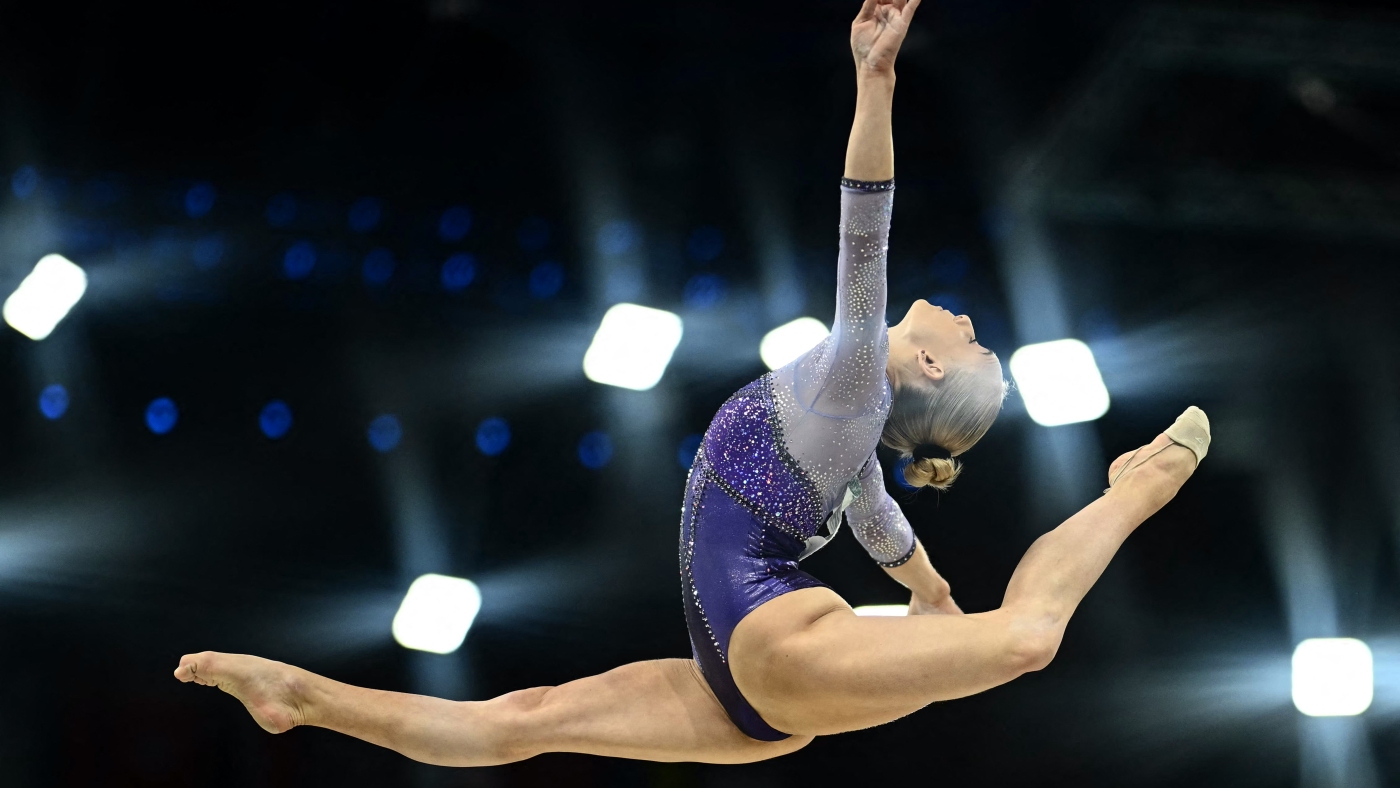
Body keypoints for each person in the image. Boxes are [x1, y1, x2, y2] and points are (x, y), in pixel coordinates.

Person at [174, 0, 1210, 766]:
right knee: (517, 721)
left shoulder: (854, 371)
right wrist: (932, 595)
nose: (969, 319)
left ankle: (1133, 488)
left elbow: (864, 227)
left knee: (1025, 638)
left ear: (924, 364)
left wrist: (875, 82)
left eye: (972, 341)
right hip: (744, 687)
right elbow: (877, 517)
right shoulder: (847, 434)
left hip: (772, 644)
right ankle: (299, 693)